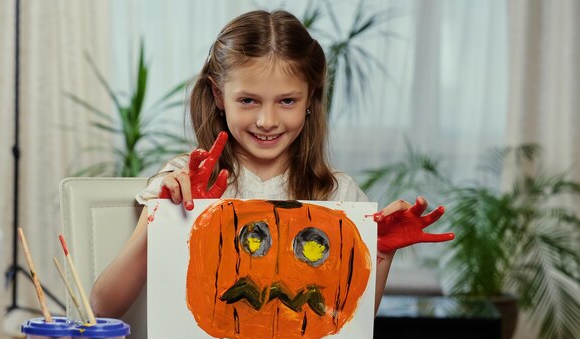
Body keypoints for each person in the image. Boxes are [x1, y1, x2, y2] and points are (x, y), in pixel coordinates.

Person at [90, 9, 453, 319]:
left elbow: (349, 322)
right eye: (248, 100)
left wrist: (381, 253)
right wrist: (162, 218)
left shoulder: (337, 194)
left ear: (310, 98)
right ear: (218, 95)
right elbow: (102, 308)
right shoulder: (186, 181)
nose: (267, 120)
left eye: (287, 101)